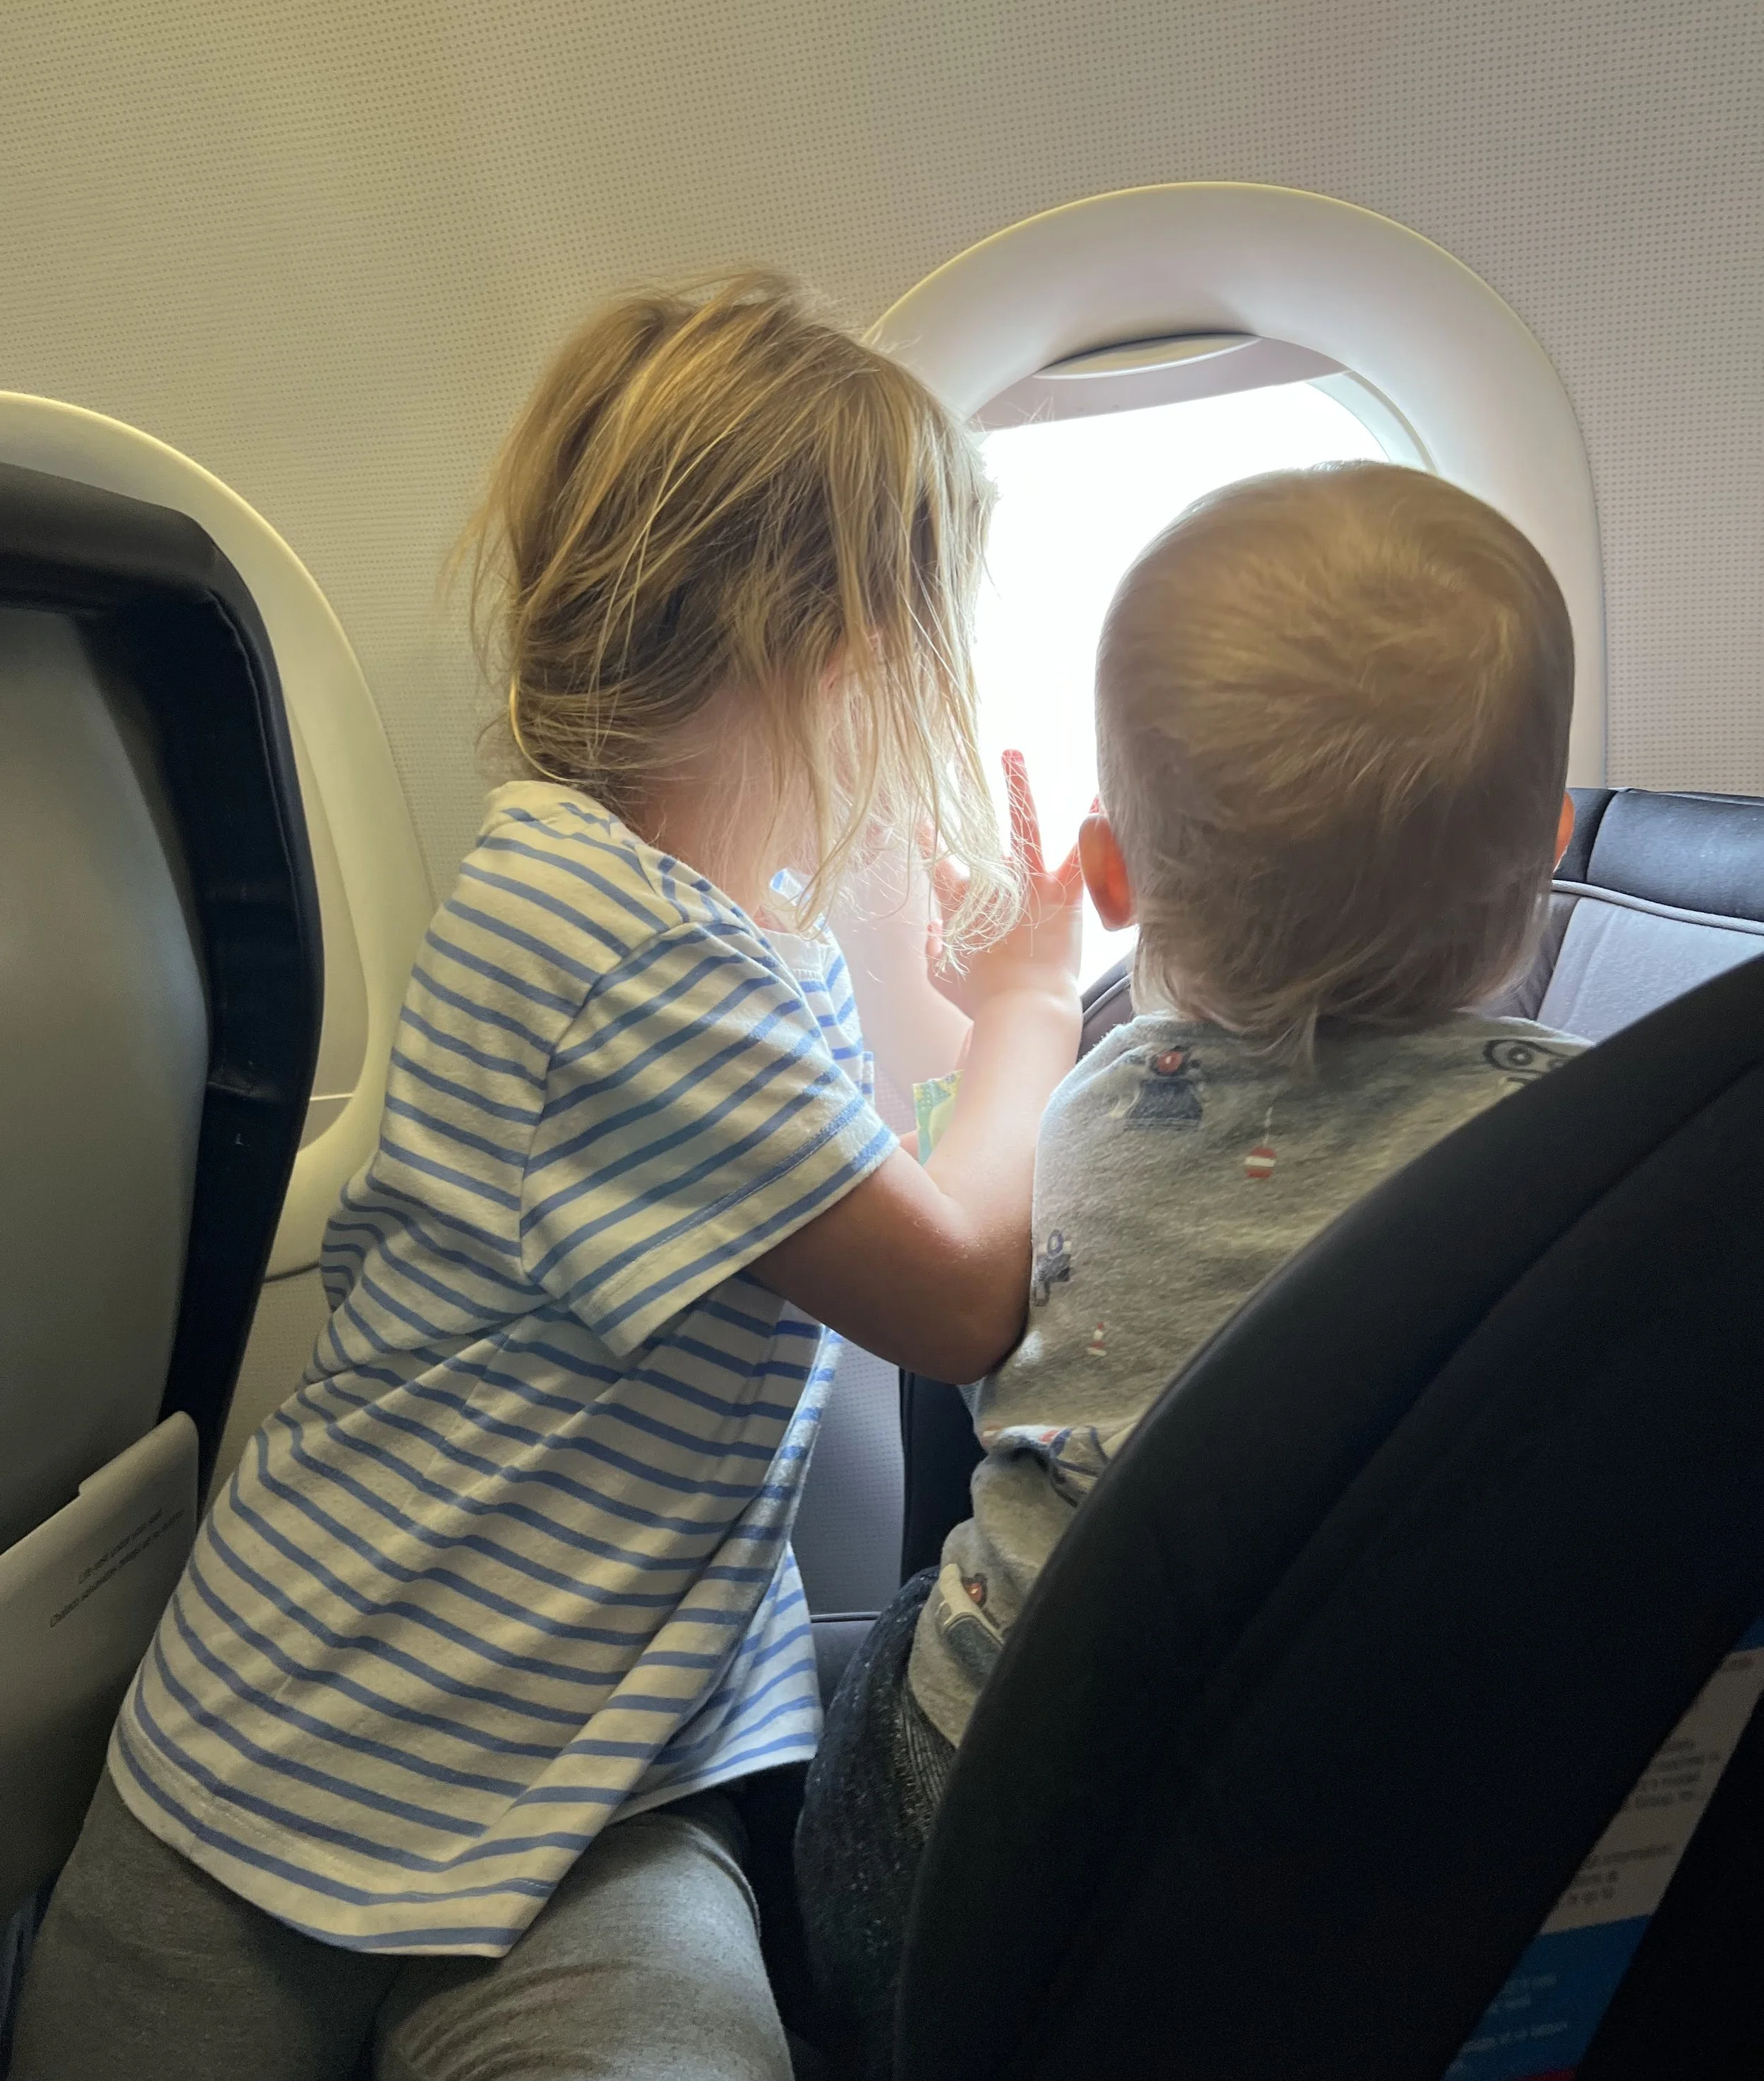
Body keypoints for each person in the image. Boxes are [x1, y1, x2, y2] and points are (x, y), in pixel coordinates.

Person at [13, 273, 1085, 2081]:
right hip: (291, 1758)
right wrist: (1037, 1006)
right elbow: (959, 1282)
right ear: (837, 651)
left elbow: (878, 1226)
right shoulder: (607, 945)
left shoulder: (751, 946)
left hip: (591, 1780)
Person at [795, 462, 1586, 2074]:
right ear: (1550, 850)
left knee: (900, 1653)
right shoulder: (1595, 1142)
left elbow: (979, 1360)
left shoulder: (1085, 1114)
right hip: (1402, 1856)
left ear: (1108, 876)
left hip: (997, 1829)